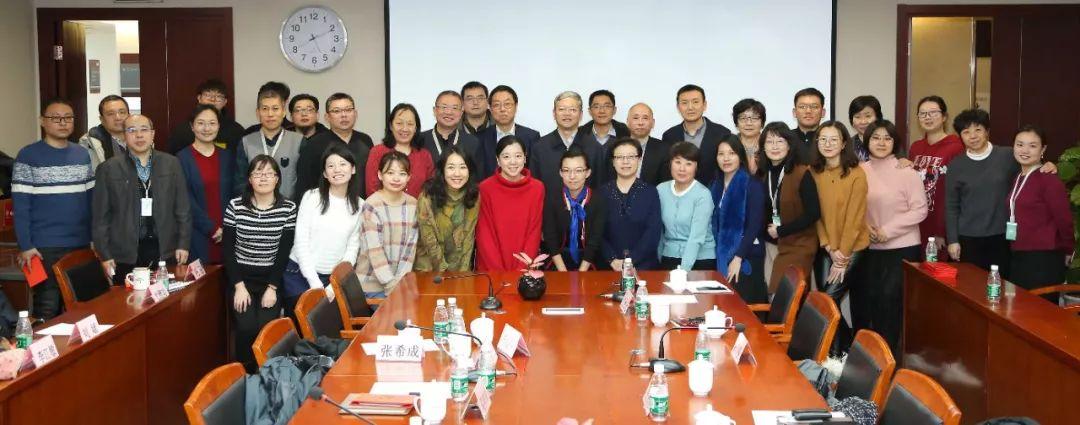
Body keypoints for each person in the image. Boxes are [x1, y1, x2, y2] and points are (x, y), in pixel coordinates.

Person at [13, 98, 94, 319]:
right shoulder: (27, 155)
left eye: (68, 118)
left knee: (82, 309)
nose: (63, 123)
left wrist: (94, 239)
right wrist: (26, 245)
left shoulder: (81, 154)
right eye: (55, 118)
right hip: (42, 248)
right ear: (43, 121)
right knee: (47, 311)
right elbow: (21, 206)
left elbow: (90, 201)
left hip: (80, 244)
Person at [852, 120, 927, 355]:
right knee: (869, 301)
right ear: (867, 141)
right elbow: (853, 207)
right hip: (869, 248)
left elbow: (919, 210)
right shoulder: (859, 170)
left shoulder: (906, 172)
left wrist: (887, 230)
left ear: (895, 143)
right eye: (876, 138)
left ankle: (890, 359)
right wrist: (866, 228)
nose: (881, 143)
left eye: (887, 138)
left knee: (891, 303)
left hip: (902, 248)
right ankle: (869, 357)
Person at [94, 114, 191, 285]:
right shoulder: (108, 168)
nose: (139, 135)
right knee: (126, 305)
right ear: (124, 135)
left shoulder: (171, 163)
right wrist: (105, 254)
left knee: (165, 302)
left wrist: (183, 243)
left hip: (165, 249)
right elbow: (100, 217)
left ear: (153, 133)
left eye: (144, 130)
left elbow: (182, 208)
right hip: (124, 252)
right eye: (132, 130)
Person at [222, 155, 296, 372]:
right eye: (257, 173)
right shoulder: (235, 206)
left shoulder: (288, 208)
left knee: (265, 329)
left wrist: (272, 288)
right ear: (249, 179)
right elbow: (228, 248)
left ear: (277, 179)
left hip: (270, 281)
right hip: (241, 280)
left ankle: (265, 374)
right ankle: (243, 375)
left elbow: (284, 252)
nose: (263, 178)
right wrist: (238, 286)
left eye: (269, 173)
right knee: (245, 328)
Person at [283, 145, 363, 318]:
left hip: (333, 280)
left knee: (329, 333)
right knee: (300, 333)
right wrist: (316, 285)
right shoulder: (311, 197)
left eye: (342, 164)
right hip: (298, 275)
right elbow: (301, 243)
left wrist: (334, 283)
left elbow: (352, 248)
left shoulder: (360, 205)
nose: (337, 169)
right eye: (331, 166)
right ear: (325, 174)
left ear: (353, 169)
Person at [810, 121, 869, 355]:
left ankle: (840, 353)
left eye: (833, 139)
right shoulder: (814, 172)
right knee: (828, 304)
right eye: (823, 139)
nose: (828, 144)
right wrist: (827, 245)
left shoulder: (857, 174)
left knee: (827, 299)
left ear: (844, 143)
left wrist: (842, 256)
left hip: (852, 248)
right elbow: (815, 215)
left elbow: (855, 219)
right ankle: (842, 352)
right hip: (826, 248)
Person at [1006, 125, 1074, 292]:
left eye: (1033, 145)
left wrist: (1068, 249)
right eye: (1020, 144)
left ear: (1043, 149)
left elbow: (1064, 220)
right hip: (1019, 254)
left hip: (1044, 258)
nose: (1025, 150)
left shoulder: (1049, 180)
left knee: (1039, 314)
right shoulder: (1019, 176)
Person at [759, 122, 820, 294]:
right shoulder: (763, 173)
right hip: (770, 244)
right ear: (763, 147)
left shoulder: (802, 172)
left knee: (785, 295)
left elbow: (813, 213)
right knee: (769, 291)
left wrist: (782, 230)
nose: (775, 146)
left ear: (789, 145)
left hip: (798, 243)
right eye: (770, 142)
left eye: (780, 141)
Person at [476, 135, 546, 271]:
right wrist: (498, 272)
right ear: (498, 160)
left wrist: (522, 268)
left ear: (525, 158)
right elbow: (484, 234)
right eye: (506, 157)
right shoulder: (485, 188)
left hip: (525, 266)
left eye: (518, 156)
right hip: (491, 267)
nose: (513, 162)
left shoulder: (537, 188)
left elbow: (534, 232)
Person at [711, 138, 767, 303]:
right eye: (721, 154)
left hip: (746, 256)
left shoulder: (752, 184)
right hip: (722, 255)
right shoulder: (716, 185)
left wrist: (738, 257)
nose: (726, 158)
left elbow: (755, 225)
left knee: (743, 308)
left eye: (731, 153)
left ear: (740, 156)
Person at [356, 151, 419, 297]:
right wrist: (392, 286)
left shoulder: (413, 204)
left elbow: (411, 248)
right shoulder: (371, 205)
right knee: (401, 317)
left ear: (409, 177)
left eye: (402, 173)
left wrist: (400, 283)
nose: (396, 178)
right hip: (372, 285)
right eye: (390, 172)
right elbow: (375, 251)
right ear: (380, 175)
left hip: (401, 283)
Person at [908, 95, 964, 257]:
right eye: (923, 113)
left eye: (933, 112)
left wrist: (943, 231)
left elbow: (955, 192)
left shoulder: (956, 147)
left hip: (941, 226)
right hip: (918, 223)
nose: (928, 117)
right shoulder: (916, 148)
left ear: (944, 116)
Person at [177, 105, 233, 264]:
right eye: (201, 123)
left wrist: (227, 228)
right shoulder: (181, 159)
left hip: (228, 234)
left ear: (219, 126)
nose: (207, 128)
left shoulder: (228, 157)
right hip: (197, 235)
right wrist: (212, 228)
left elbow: (235, 194)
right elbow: (185, 199)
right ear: (192, 126)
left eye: (212, 123)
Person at [294, 92, 373, 197]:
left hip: (361, 206)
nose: (344, 115)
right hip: (325, 207)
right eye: (336, 111)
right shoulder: (314, 144)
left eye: (348, 110)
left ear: (355, 113)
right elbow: (304, 183)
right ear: (327, 117)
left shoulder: (365, 140)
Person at [415, 147, 480, 272]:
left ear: (469, 170)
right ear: (442, 170)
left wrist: (463, 274)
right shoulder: (427, 196)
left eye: (462, 167)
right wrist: (445, 274)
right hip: (428, 268)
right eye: (451, 167)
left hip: (459, 268)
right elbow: (429, 241)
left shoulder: (473, 195)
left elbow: (468, 239)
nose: (457, 173)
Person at [600, 138, 662, 270]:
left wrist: (631, 260)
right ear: (613, 161)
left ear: (639, 159)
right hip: (609, 266)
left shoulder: (650, 192)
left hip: (644, 267)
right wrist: (611, 259)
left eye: (631, 157)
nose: (625, 161)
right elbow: (596, 232)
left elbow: (653, 232)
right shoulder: (602, 193)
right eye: (620, 157)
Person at [543, 147, 607, 271]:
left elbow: (595, 238)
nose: (572, 176)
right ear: (560, 173)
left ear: (587, 172)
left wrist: (582, 271)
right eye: (566, 171)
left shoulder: (598, 200)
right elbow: (550, 237)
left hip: (589, 260)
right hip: (558, 259)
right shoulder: (552, 198)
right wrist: (563, 271)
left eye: (578, 170)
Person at [235, 84, 303, 199]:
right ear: (258, 113)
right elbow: (240, 182)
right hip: (254, 210)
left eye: (275, 109)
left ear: (283, 112)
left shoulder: (298, 141)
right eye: (265, 109)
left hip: (290, 210)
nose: (270, 114)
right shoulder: (246, 142)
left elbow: (304, 182)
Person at [530, 91, 606, 194]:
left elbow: (600, 186)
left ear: (581, 114)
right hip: (549, 208)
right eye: (562, 109)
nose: (567, 114)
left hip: (585, 209)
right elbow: (534, 187)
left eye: (573, 110)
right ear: (554, 113)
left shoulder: (594, 147)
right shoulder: (540, 147)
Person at [658, 142, 716, 270]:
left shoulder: (703, 194)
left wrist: (683, 271)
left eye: (688, 164)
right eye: (678, 162)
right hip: (669, 256)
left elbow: (696, 237)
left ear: (696, 167)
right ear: (670, 164)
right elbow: (659, 230)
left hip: (700, 259)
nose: (682, 169)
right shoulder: (661, 190)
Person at [660, 84, 732, 184]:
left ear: (704, 105)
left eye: (695, 102)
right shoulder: (669, 135)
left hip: (713, 194)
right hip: (680, 195)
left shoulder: (722, 133)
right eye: (684, 103)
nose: (690, 107)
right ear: (678, 107)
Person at [366, 103, 435, 198]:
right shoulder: (377, 152)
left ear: (416, 128)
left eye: (410, 124)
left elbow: (430, 189)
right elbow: (372, 189)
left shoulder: (424, 155)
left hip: (418, 211)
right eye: (399, 123)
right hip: (383, 210)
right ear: (390, 126)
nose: (405, 128)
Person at [166, 78, 246, 154]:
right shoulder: (183, 130)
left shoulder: (236, 130)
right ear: (199, 98)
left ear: (225, 102)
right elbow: (172, 160)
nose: (213, 99)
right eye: (208, 95)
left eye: (218, 96)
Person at [476, 85, 541, 177]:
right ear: (490, 108)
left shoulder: (532, 137)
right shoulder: (479, 138)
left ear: (516, 106)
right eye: (496, 105)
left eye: (507, 104)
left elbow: (534, 173)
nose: (502, 109)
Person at [420, 90, 480, 163]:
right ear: (434, 110)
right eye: (444, 107)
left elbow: (477, 173)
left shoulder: (472, 142)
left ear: (461, 113)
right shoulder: (419, 140)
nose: (449, 112)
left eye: (454, 108)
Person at [623, 103, 670, 186]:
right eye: (636, 118)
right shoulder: (616, 148)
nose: (640, 123)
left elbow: (665, 184)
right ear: (627, 122)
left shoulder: (664, 149)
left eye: (645, 118)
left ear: (653, 123)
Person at [78, 95, 129, 170]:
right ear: (101, 119)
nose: (118, 117)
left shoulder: (141, 138)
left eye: (122, 112)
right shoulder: (89, 143)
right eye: (111, 114)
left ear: (129, 115)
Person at [730, 98, 765, 174]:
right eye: (743, 118)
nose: (749, 123)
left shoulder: (770, 144)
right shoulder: (729, 145)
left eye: (755, 118)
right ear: (736, 123)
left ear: (762, 123)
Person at [792, 88, 826, 163]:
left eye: (814, 107)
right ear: (794, 112)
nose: (808, 111)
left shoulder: (830, 140)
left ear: (823, 112)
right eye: (802, 107)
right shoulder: (785, 139)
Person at [847, 95, 881, 162]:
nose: (863, 122)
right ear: (852, 121)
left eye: (868, 116)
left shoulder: (889, 143)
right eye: (857, 117)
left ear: (877, 118)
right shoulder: (847, 146)